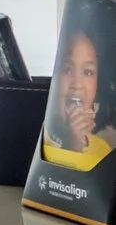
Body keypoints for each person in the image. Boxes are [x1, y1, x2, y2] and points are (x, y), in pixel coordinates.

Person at [42, 28, 112, 172]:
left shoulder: (103, 150)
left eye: (87, 72)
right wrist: (72, 145)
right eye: (68, 69)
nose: (77, 83)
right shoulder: (43, 144)